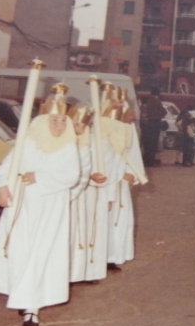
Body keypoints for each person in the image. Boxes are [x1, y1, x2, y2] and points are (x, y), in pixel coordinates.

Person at [0, 86, 81, 326]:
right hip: (22, 207)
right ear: (43, 121)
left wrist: (40, 177)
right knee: (20, 252)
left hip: (51, 209)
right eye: (54, 120)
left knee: (41, 254)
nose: (59, 125)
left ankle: (31, 308)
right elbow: (5, 169)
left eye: (63, 121)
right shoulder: (27, 143)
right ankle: (22, 294)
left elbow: (71, 176)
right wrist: (2, 187)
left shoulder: (68, 147)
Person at [101, 86, 147, 272]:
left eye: (121, 102)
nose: (118, 105)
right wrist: (118, 173)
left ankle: (113, 256)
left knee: (119, 219)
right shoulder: (100, 125)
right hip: (106, 180)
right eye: (114, 102)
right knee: (104, 218)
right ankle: (100, 257)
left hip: (121, 181)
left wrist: (133, 174)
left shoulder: (127, 127)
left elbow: (132, 151)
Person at [68, 105, 108, 284]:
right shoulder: (61, 143)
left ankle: (79, 273)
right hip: (63, 196)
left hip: (82, 195)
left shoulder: (87, 144)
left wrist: (93, 177)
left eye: (83, 126)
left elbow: (88, 168)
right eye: (76, 124)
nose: (79, 129)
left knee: (82, 234)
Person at [139, 89, 165, 167]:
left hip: (145, 126)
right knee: (153, 144)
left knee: (147, 145)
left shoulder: (143, 106)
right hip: (154, 125)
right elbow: (163, 111)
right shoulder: (156, 101)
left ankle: (147, 160)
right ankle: (151, 160)